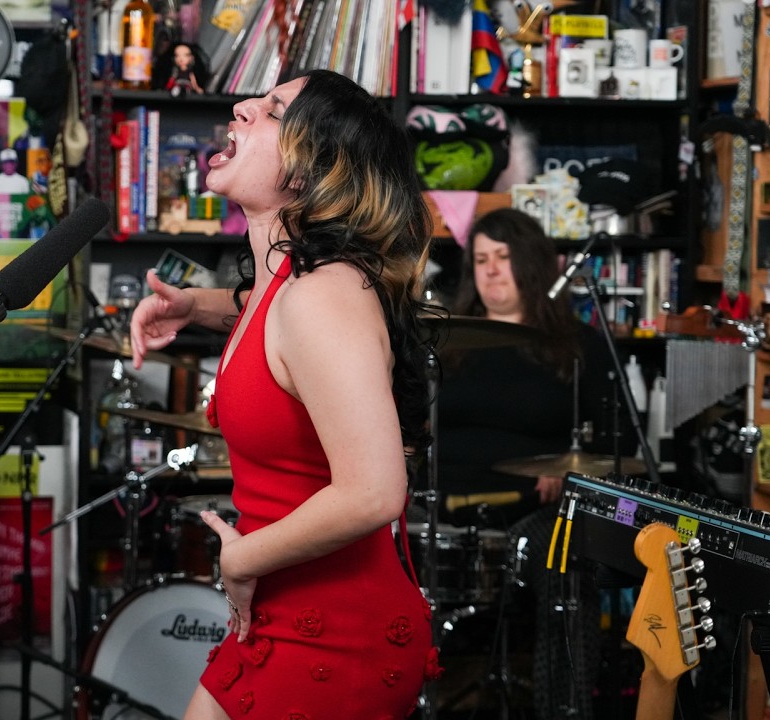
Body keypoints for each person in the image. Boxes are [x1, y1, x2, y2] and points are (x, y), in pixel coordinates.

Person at [129, 69, 442, 719]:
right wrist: (193, 306)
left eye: (271, 109)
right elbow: (265, 318)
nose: (241, 107)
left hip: (337, 631)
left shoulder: (322, 294)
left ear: (311, 169)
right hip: (279, 615)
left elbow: (375, 491)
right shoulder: (286, 285)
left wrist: (242, 556)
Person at [436, 207, 631, 720]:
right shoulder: (441, 342)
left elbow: (618, 444)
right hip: (439, 507)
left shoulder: (576, 346)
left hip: (531, 511)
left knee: (568, 560)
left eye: (503, 257)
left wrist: (570, 476)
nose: (491, 270)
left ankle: (560, 710)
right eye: (480, 259)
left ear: (532, 265)